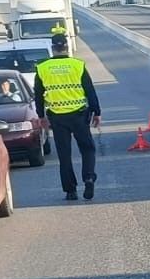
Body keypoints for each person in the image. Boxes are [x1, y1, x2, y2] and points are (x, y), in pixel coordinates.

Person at [34, 28, 101, 201]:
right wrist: (97, 112)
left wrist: (41, 116)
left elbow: (38, 95)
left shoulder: (42, 68)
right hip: (79, 115)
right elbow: (90, 90)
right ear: (66, 46)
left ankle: (71, 191)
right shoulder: (77, 65)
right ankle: (88, 177)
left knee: (64, 155)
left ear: (53, 48)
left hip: (57, 118)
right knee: (87, 149)